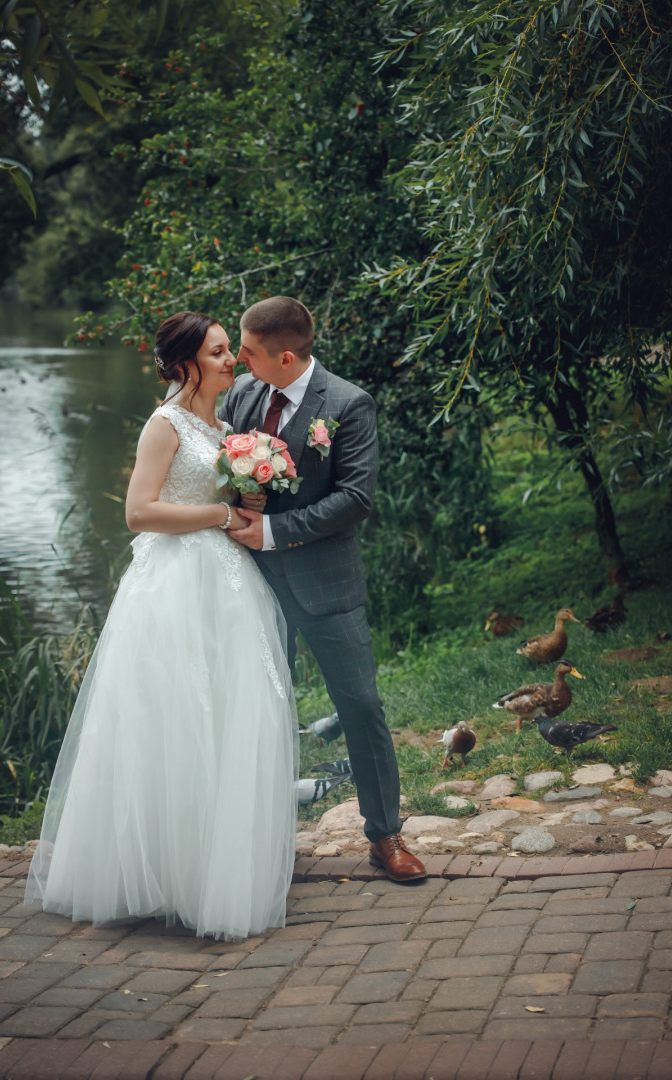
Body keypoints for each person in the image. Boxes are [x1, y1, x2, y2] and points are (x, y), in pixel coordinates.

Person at [25, 312, 298, 940]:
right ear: (185, 363)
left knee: (231, 712)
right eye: (220, 351)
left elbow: (227, 502)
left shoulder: (225, 428)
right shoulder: (165, 423)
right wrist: (220, 515)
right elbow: (139, 512)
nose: (233, 360)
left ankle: (212, 871)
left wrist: (250, 497)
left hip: (227, 584)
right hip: (175, 585)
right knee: (173, 718)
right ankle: (161, 873)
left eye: (232, 350)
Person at [220, 296, 426, 883]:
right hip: (250, 583)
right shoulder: (243, 394)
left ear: (285, 356)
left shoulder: (346, 404)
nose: (239, 358)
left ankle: (385, 836)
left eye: (249, 350)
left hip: (324, 583)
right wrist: (236, 504)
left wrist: (273, 529)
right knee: (259, 709)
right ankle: (263, 838)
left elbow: (356, 499)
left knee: (360, 705)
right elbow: (219, 465)